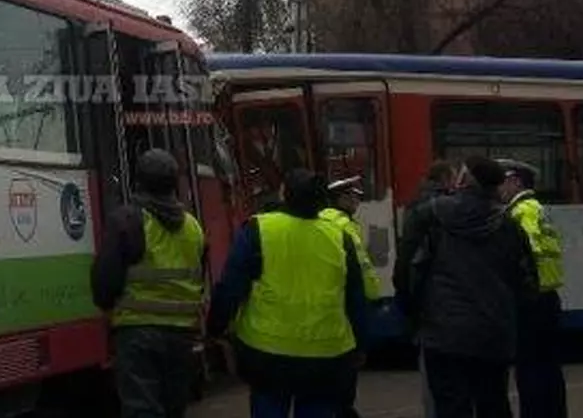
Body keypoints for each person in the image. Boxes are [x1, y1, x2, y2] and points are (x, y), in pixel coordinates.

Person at [207, 168, 368, 418]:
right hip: (326, 355)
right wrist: (361, 346)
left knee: (268, 407)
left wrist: (215, 327)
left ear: (285, 194)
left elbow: (231, 286)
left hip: (267, 353)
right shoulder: (340, 238)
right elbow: (356, 299)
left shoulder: (259, 229)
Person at [393, 156, 538, 418]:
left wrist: (414, 316)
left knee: (450, 405)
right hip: (494, 331)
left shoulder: (430, 215)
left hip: (443, 330)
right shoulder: (509, 225)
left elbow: (406, 270)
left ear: (464, 180)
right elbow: (526, 281)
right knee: (492, 401)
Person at [91, 148, 206, 418]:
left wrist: (108, 308)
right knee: (173, 408)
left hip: (137, 333)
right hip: (181, 335)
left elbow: (104, 280)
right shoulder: (193, 226)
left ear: (138, 181)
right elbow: (199, 275)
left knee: (142, 409)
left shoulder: (127, 220)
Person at [497, 158, 569, 418]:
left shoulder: (520, 212)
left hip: (531, 299)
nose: (499, 189)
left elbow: (526, 254)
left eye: (502, 182)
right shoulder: (537, 207)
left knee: (530, 370)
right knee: (549, 368)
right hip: (547, 295)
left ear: (516, 182)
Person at [320, 176, 381, 418]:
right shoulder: (343, 226)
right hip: (345, 307)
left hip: (330, 303)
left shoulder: (328, 220)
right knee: (345, 368)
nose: (357, 200)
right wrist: (371, 298)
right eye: (353, 196)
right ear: (341, 199)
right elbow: (358, 271)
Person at [410, 161, 458, 418]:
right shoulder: (449, 211)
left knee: (433, 380)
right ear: (446, 180)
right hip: (451, 307)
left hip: (430, 307)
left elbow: (409, 264)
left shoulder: (418, 207)